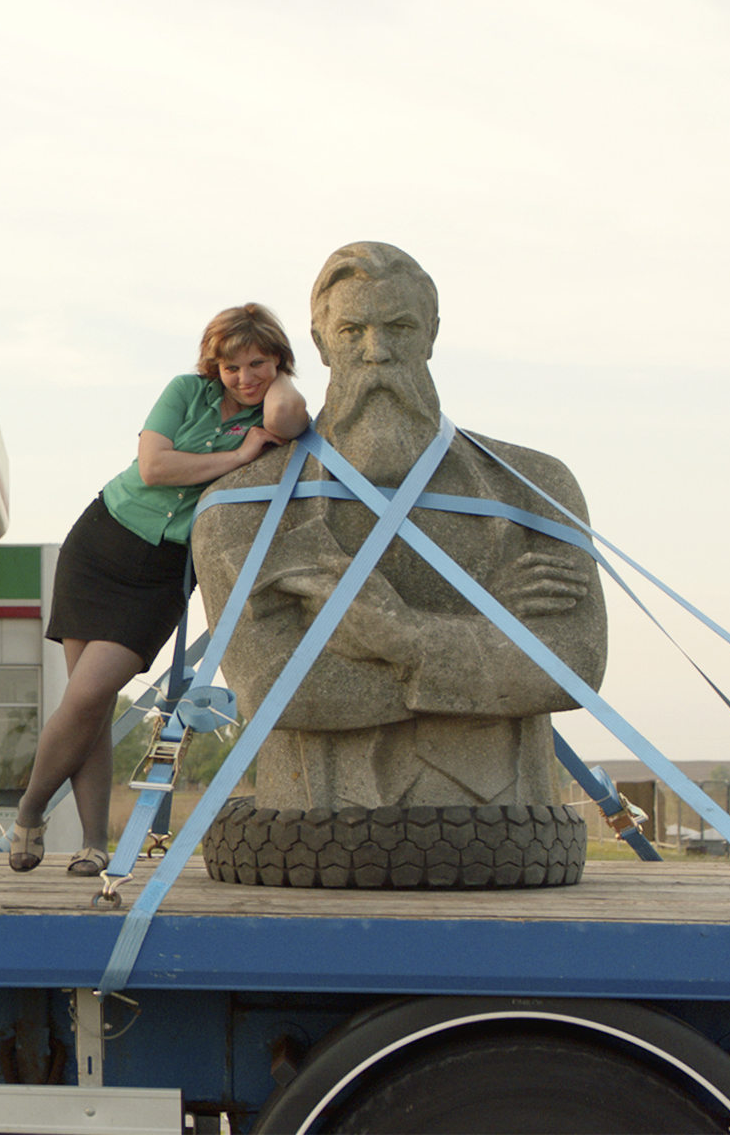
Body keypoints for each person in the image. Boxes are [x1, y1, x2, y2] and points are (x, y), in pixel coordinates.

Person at [190, 244, 604, 827]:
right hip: (309, 837)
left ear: (431, 334)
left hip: (514, 840)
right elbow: (275, 689)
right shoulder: (241, 507)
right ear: (320, 343)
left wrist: (401, 635)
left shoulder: (533, 486)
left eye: (400, 327)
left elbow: (571, 665)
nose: (377, 351)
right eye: (352, 330)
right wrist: (488, 644)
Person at [10, 304, 309, 875]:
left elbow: (289, 413)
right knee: (90, 704)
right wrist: (239, 455)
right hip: (101, 543)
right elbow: (153, 468)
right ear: (213, 366)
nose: (244, 378)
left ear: (278, 360)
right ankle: (93, 842)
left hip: (164, 572)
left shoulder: (276, 412)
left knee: (88, 694)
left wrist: (281, 378)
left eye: (258, 364)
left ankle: (29, 810)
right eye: (231, 367)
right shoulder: (186, 392)